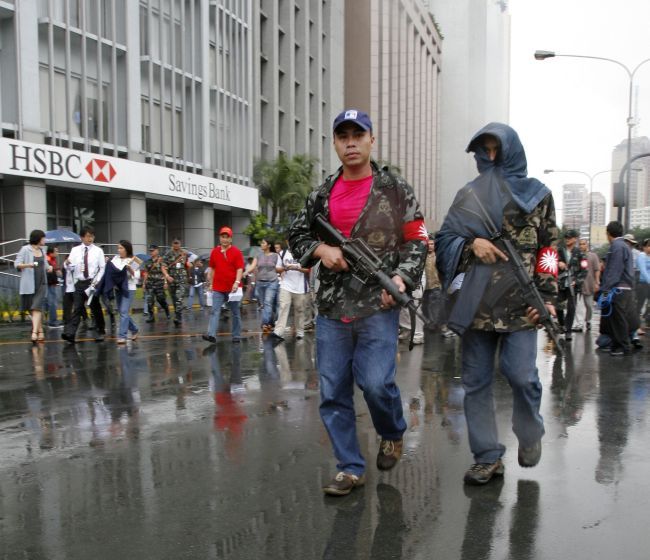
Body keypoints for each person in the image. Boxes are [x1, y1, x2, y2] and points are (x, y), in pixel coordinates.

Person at [289, 108, 428, 496]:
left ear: (371, 140)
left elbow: (417, 239)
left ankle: (391, 430)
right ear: (335, 143)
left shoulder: (396, 189)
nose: (350, 142)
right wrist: (320, 249)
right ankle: (350, 467)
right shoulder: (321, 195)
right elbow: (297, 234)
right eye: (343, 136)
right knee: (333, 390)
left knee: (375, 383)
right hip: (333, 306)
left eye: (358, 135)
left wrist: (400, 277)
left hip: (378, 303)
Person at [435, 123, 559, 486]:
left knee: (521, 374)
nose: (489, 157)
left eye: (496, 149)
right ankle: (487, 456)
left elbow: (549, 250)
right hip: (477, 304)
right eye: (483, 150)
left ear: (511, 150)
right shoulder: (468, 195)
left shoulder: (538, 195)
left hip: (522, 306)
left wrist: (547, 298)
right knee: (475, 383)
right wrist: (471, 244)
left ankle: (530, 430)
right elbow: (445, 238)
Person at [62, 226, 106, 343]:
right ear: (82, 237)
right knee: (77, 308)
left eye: (92, 236)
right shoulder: (75, 250)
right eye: (87, 236)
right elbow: (69, 266)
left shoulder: (98, 251)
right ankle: (70, 334)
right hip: (79, 283)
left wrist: (96, 282)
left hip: (92, 283)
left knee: (95, 308)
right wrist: (66, 264)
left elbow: (102, 268)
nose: (90, 238)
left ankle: (100, 331)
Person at [599, 221, 638, 356]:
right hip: (626, 288)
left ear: (608, 233)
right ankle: (618, 344)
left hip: (618, 288)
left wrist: (605, 290)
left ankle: (623, 346)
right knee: (618, 318)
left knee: (618, 318)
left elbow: (614, 271)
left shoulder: (616, 246)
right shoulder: (624, 246)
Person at [203, 226, 245, 343]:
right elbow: (212, 268)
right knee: (214, 311)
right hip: (218, 287)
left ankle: (236, 335)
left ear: (231, 239)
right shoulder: (215, 252)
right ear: (219, 238)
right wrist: (210, 283)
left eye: (227, 237)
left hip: (233, 288)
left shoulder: (236, 252)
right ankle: (211, 335)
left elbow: (239, 269)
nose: (225, 239)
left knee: (235, 312)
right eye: (223, 237)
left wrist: (236, 282)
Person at [15, 229, 50, 343]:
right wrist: (28, 265)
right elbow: (17, 264)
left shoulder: (42, 251)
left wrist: (49, 268)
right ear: (38, 238)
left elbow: (46, 265)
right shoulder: (25, 249)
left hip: (41, 283)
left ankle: (34, 332)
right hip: (29, 283)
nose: (44, 240)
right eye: (43, 238)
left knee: (37, 307)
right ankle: (40, 330)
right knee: (33, 310)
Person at [104, 240, 141, 344]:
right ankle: (134, 329)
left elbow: (137, 277)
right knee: (121, 311)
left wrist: (130, 269)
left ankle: (122, 336)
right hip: (118, 288)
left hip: (129, 288)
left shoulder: (135, 260)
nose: (119, 250)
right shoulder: (115, 258)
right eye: (118, 248)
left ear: (127, 249)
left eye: (121, 248)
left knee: (124, 311)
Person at [271, 243, 310, 341]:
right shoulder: (282, 253)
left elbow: (307, 269)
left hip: (300, 287)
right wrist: (285, 268)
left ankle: (300, 331)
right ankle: (279, 332)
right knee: (283, 307)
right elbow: (276, 268)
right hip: (286, 285)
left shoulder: (303, 252)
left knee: (299, 310)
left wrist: (296, 267)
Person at [244, 238, 282, 332]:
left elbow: (280, 267)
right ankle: (271, 322)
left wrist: (280, 270)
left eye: (263, 242)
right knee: (265, 305)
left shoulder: (275, 256)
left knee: (268, 303)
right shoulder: (258, 256)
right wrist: (245, 272)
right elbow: (253, 266)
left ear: (269, 245)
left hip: (272, 282)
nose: (261, 244)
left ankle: (265, 323)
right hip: (260, 283)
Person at [557, 229, 586, 340]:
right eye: (566, 238)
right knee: (558, 305)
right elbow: (551, 261)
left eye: (569, 238)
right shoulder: (560, 250)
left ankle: (568, 331)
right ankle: (562, 324)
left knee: (571, 308)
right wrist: (558, 263)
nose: (567, 240)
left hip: (573, 286)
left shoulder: (580, 253)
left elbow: (584, 270)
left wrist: (576, 281)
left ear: (575, 239)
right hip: (561, 283)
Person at [162, 238, 189, 326]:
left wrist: (188, 264)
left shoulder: (185, 253)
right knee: (174, 299)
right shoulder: (168, 254)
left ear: (180, 244)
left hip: (181, 280)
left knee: (179, 298)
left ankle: (178, 317)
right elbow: (163, 266)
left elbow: (191, 263)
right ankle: (178, 314)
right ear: (172, 244)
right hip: (172, 280)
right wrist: (167, 276)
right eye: (175, 243)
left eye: (178, 243)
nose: (176, 245)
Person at [575, 238, 600, 331]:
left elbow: (597, 269)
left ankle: (588, 320)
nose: (582, 246)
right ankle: (580, 324)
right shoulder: (576, 256)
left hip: (590, 284)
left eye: (583, 244)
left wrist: (597, 282)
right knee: (579, 305)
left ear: (587, 245)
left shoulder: (593, 256)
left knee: (589, 305)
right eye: (580, 244)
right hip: (579, 284)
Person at [143, 244, 171, 323]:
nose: (151, 252)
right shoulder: (148, 261)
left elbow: (165, 271)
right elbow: (146, 273)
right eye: (150, 251)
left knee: (161, 299)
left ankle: (166, 309)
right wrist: (144, 283)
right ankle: (151, 316)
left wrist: (165, 282)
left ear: (157, 251)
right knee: (149, 301)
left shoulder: (162, 260)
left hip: (159, 283)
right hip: (150, 283)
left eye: (153, 251)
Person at [45, 246, 63, 327]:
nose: (57, 253)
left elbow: (56, 269)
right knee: (52, 303)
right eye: (56, 251)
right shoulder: (47, 259)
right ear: (51, 252)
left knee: (51, 302)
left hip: (52, 283)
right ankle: (53, 321)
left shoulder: (53, 259)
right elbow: (49, 272)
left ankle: (52, 320)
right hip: (49, 284)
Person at [638, 238, 650, 329]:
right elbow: (643, 270)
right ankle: (636, 326)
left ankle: (647, 320)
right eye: (648, 246)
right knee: (640, 305)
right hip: (643, 284)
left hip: (648, 284)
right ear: (644, 247)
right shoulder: (641, 255)